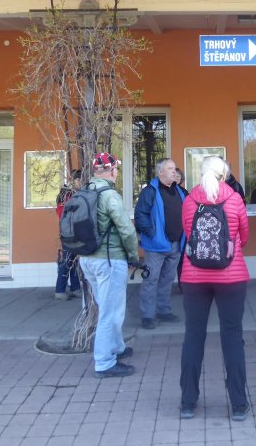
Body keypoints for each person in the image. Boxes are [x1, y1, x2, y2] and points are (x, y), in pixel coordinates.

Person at [179, 156, 251, 421]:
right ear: (224, 175)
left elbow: (188, 234)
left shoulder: (189, 201)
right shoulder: (234, 199)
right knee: (232, 337)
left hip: (194, 277)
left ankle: (187, 402)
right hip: (230, 277)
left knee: (193, 336)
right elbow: (243, 235)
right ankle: (239, 404)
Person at [79, 152, 140, 378]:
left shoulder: (85, 191)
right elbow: (126, 229)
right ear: (112, 170)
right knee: (111, 312)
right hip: (109, 259)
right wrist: (133, 256)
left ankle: (116, 348)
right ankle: (104, 363)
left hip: (87, 260)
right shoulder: (109, 195)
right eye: (117, 168)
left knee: (107, 307)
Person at [134, 158, 186, 330]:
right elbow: (140, 215)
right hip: (156, 246)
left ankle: (163, 311)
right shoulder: (150, 191)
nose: (174, 171)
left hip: (175, 244)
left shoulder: (179, 191)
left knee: (167, 279)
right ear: (160, 172)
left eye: (174, 168)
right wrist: (152, 234)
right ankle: (147, 315)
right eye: (170, 168)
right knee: (151, 280)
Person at [55, 169, 82, 301]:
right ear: (74, 180)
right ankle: (60, 290)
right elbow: (62, 213)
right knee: (67, 259)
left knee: (74, 259)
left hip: (72, 230)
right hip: (68, 232)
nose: (81, 183)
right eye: (80, 180)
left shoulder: (72, 193)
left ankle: (75, 288)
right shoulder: (67, 194)